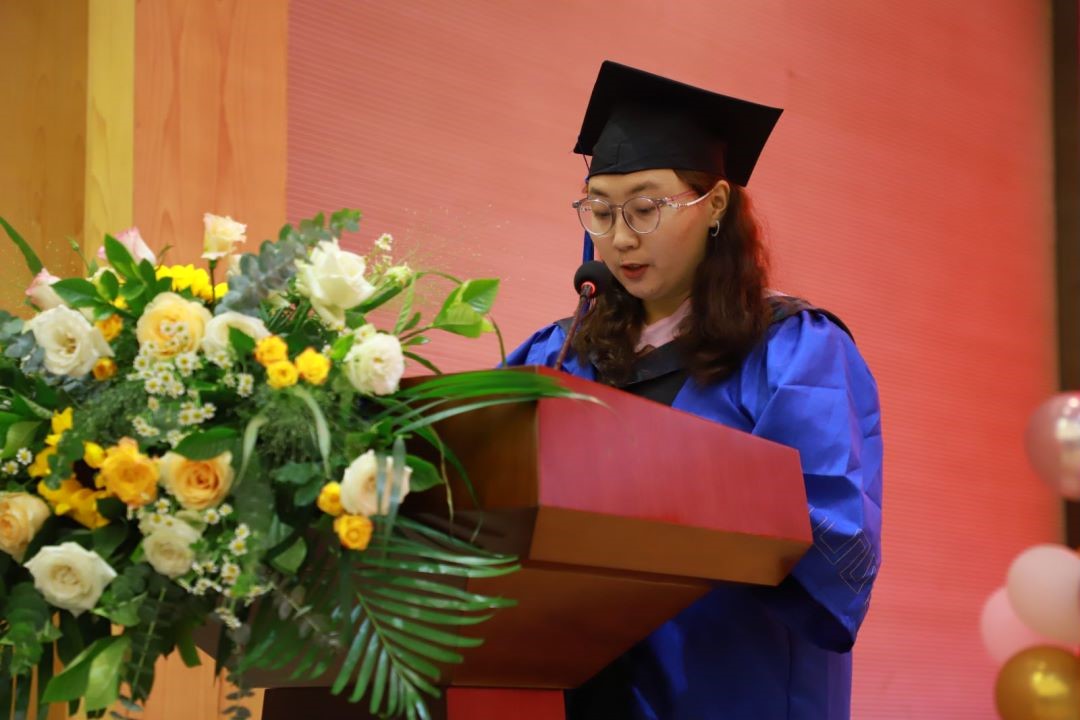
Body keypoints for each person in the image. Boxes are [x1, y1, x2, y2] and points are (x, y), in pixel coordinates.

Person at [504, 61, 883, 720]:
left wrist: (675, 505)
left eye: (645, 208)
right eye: (601, 211)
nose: (621, 238)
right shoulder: (559, 354)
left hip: (730, 690)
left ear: (715, 205)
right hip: (579, 688)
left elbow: (833, 535)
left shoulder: (791, 349)